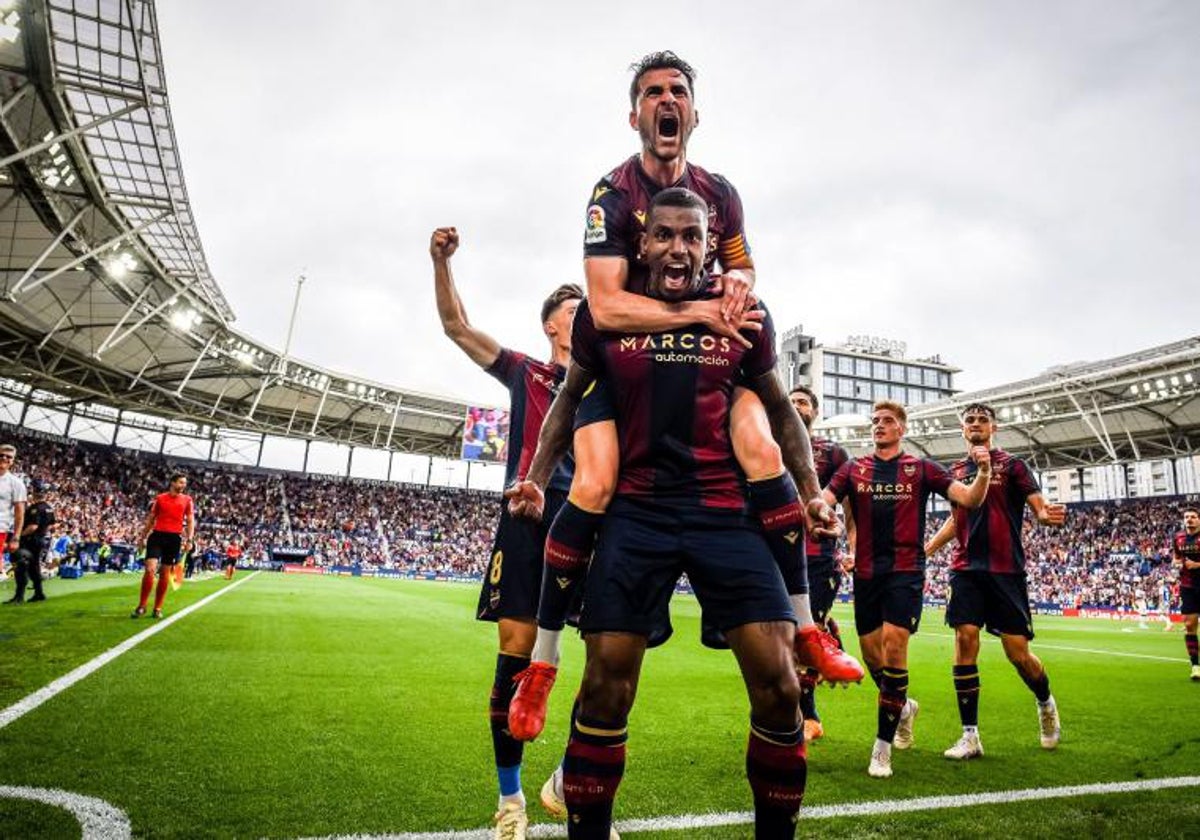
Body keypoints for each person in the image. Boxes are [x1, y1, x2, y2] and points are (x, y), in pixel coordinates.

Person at [505, 49, 859, 747]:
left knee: (761, 442)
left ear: (693, 113)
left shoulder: (720, 192)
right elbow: (605, 308)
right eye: (652, 92)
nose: (666, 102)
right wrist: (700, 315)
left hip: (700, 377)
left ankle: (809, 626)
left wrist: (736, 291)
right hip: (626, 370)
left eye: (677, 92)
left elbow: (742, 271)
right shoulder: (610, 193)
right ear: (635, 113)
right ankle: (543, 664)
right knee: (599, 478)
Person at [523, 188, 829, 838]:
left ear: (710, 245)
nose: (678, 249)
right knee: (606, 684)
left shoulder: (745, 312)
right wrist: (534, 477)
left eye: (692, 237)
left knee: (779, 685)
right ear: (642, 244)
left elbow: (778, 407)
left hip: (725, 512)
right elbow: (566, 401)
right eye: (664, 235)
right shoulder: (605, 317)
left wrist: (813, 489)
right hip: (637, 514)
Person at [430, 225, 583, 840]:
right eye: (576, 311)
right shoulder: (527, 373)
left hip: (594, 519)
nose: (588, 315)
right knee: (516, 661)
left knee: (609, 662)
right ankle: (511, 799)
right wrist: (440, 263)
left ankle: (573, 781)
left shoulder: (611, 384)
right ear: (551, 325)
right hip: (529, 516)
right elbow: (457, 327)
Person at [824, 401, 991, 778]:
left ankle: (881, 750)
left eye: (886, 422)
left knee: (895, 647)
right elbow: (825, 501)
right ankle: (903, 707)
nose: (878, 427)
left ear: (901, 428)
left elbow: (970, 499)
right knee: (872, 658)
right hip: (866, 574)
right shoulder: (854, 468)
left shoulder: (921, 469)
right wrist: (815, 512)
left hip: (906, 571)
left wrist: (983, 473)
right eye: (875, 422)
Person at [924, 403, 1067, 760]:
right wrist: (926, 549)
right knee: (965, 639)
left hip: (1006, 571)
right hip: (966, 569)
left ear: (993, 428)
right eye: (970, 420)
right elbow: (957, 520)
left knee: (1017, 654)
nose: (975, 424)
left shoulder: (1013, 466)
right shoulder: (955, 470)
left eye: (982, 420)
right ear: (962, 429)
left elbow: (1039, 508)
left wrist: (1047, 516)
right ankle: (970, 736)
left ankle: (1045, 701)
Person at [787, 385, 855, 742]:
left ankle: (808, 715)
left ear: (815, 411)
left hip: (818, 555)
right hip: (777, 550)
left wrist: (853, 547)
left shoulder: (833, 452)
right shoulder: (769, 444)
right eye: (792, 401)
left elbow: (850, 504)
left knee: (806, 633)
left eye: (803, 402)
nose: (797, 406)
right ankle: (832, 636)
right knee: (782, 634)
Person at [130, 473, 195, 619]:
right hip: (157, 537)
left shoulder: (187, 500)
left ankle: (157, 608)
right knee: (150, 569)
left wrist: (190, 540)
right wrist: (142, 538)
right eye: (180, 482)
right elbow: (151, 519)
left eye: (184, 483)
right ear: (172, 482)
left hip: (174, 539)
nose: (183, 486)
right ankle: (142, 606)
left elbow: (190, 521)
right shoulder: (160, 498)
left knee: (165, 573)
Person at [6, 478, 52, 603]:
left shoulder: (35, 508)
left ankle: (19, 596)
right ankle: (39, 593)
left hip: (30, 541)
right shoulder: (48, 507)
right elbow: (49, 525)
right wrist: (41, 534)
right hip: (40, 540)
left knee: (21, 565)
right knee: (34, 568)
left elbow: (33, 526)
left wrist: (18, 535)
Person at [1170, 506, 1200, 680]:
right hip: (1188, 586)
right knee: (1189, 625)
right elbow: (1176, 558)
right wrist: (1177, 563)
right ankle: (1195, 666)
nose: (1189, 519)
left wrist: (1197, 565)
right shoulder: (1179, 537)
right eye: (1187, 517)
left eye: (1193, 517)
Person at [0, 443, 27, 588]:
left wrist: (16, 538)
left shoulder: (16, 484)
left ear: (12, 461)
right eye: (1, 455)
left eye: (8, 457)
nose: (4, 458)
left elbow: (19, 513)